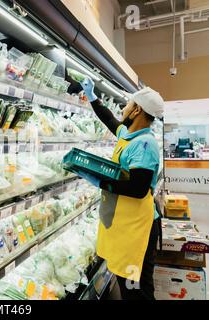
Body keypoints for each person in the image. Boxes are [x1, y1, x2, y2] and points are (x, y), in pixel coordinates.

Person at [79, 78, 164, 300]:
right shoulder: (128, 136)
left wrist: (100, 181)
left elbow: (137, 188)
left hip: (139, 229)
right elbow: (109, 119)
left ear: (136, 110)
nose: (122, 108)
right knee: (130, 288)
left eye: (127, 104)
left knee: (136, 291)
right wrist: (92, 96)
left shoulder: (145, 145)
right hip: (127, 226)